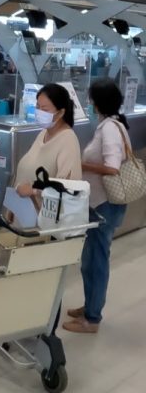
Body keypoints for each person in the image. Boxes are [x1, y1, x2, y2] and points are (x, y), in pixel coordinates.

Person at [65, 79, 129, 334]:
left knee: (97, 260)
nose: (89, 104)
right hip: (100, 203)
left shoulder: (110, 129)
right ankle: (89, 305)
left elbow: (112, 167)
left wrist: (83, 166)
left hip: (104, 204)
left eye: (91, 99)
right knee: (90, 259)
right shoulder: (112, 124)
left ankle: (92, 318)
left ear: (98, 102)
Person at [13, 84, 82, 201]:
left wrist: (34, 190)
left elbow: (69, 188)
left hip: (46, 216)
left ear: (60, 113)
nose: (39, 112)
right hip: (24, 210)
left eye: (44, 110)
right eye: (37, 106)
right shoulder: (44, 133)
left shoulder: (68, 140)